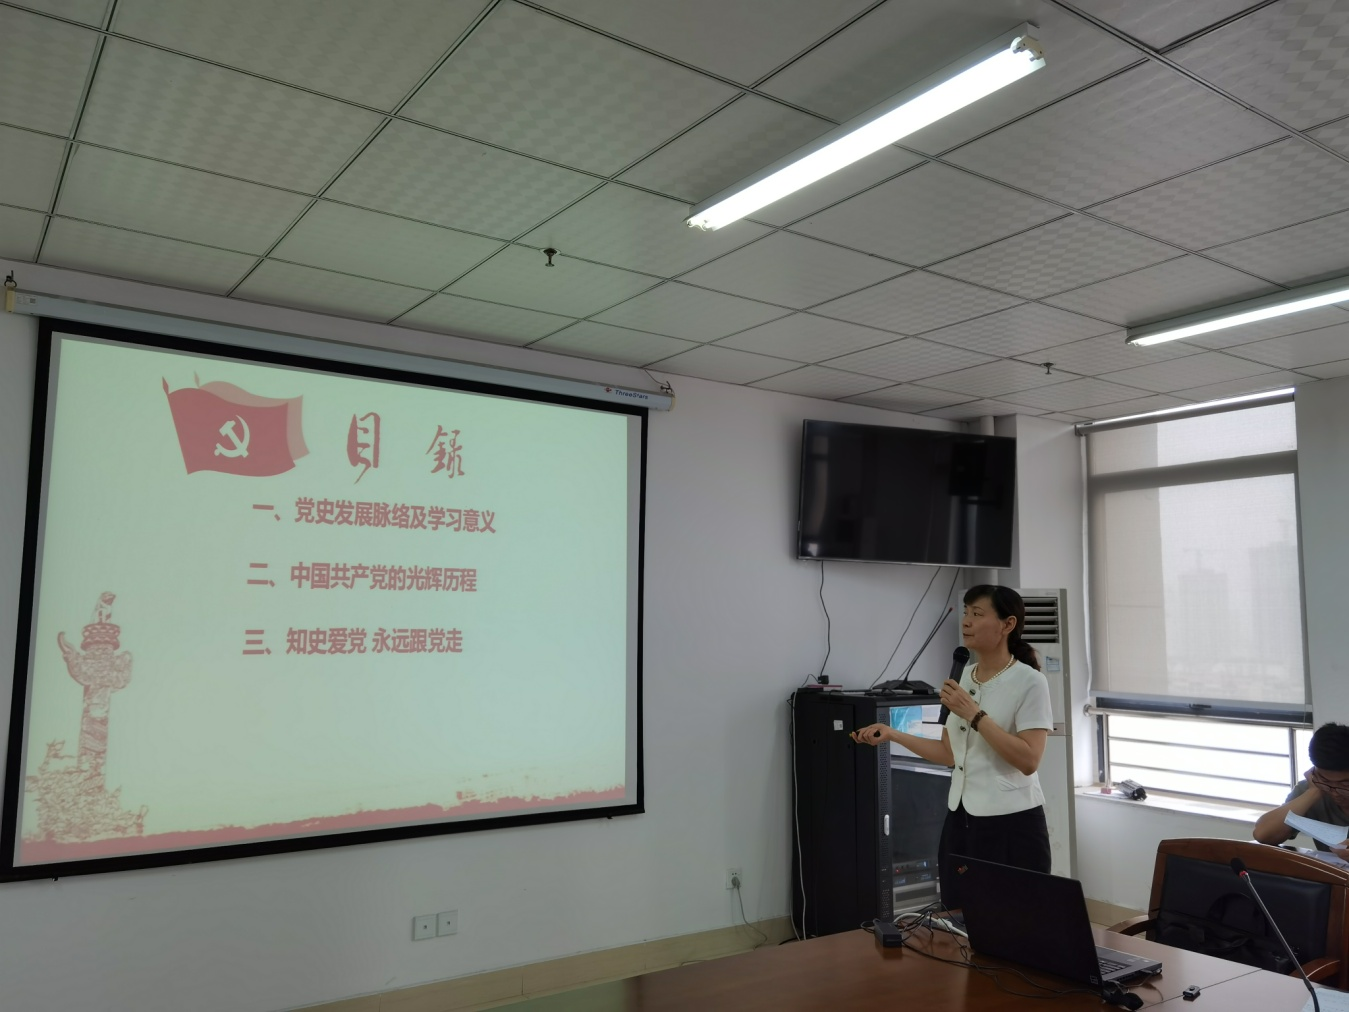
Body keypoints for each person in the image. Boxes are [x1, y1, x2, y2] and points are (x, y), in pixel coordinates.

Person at [851, 585, 1054, 911]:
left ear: (1007, 624)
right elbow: (949, 753)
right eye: (966, 612)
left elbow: (1029, 760)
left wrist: (975, 715)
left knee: (1014, 917)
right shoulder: (964, 677)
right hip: (961, 818)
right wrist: (892, 735)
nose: (966, 621)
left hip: (1011, 822)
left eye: (977, 614)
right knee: (958, 912)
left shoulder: (1030, 681)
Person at [1253, 722, 1349, 856]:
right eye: (1325, 780)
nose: (1335, 792)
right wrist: (1313, 792)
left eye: (1345, 784)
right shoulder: (1313, 787)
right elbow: (1263, 834)